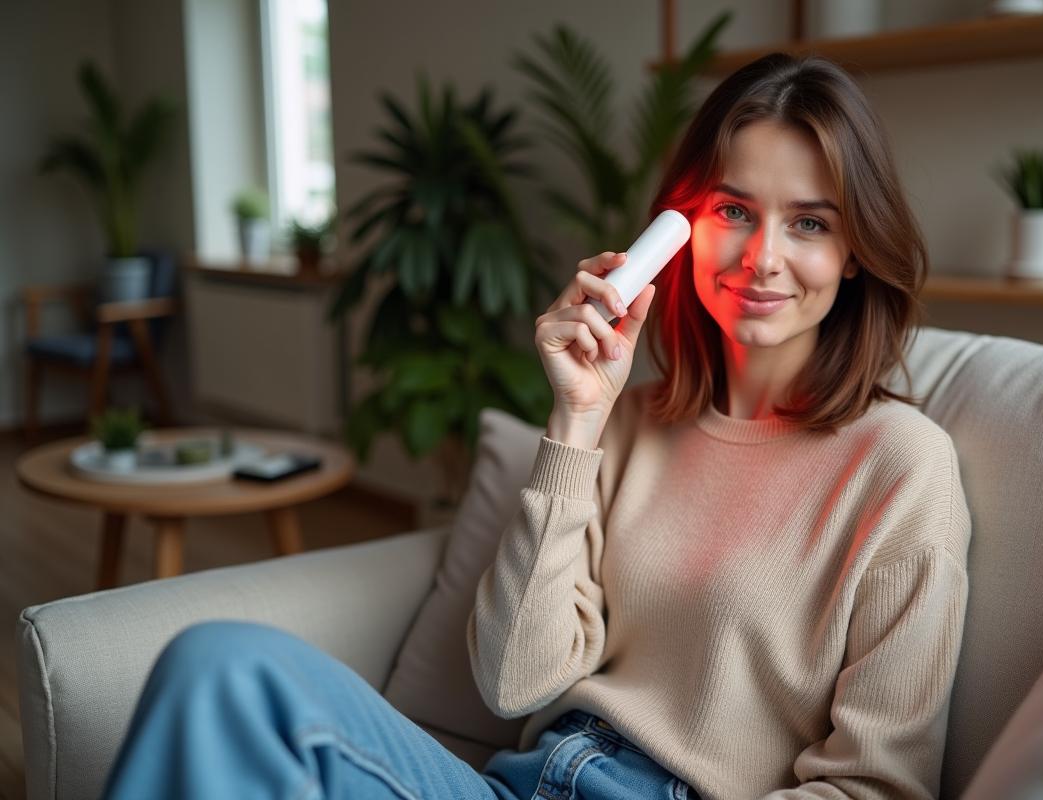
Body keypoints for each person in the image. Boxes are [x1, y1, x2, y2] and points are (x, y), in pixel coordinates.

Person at [103, 54, 969, 800]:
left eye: (809, 223)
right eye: (733, 211)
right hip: (524, 779)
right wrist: (575, 423)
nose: (761, 257)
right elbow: (515, 680)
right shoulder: (627, 422)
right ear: (680, 231)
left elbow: (874, 786)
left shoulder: (900, 468)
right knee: (217, 668)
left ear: (855, 251)